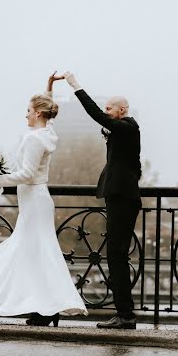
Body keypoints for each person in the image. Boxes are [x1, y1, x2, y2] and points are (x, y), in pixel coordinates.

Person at [0, 73, 87, 326]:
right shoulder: (47, 133)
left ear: (38, 114)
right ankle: (46, 307)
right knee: (38, 253)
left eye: (29, 110)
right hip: (38, 201)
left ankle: (43, 307)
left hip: (34, 200)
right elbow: (50, 118)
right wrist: (49, 87)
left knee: (33, 252)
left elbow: (26, 174)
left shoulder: (34, 139)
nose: (26, 115)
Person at [63, 71, 141, 330]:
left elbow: (95, 114)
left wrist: (76, 86)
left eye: (110, 108)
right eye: (106, 108)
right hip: (121, 198)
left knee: (116, 256)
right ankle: (125, 314)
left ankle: (126, 315)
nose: (106, 112)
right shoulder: (124, 131)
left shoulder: (128, 127)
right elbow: (133, 165)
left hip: (123, 200)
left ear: (123, 110)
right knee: (115, 256)